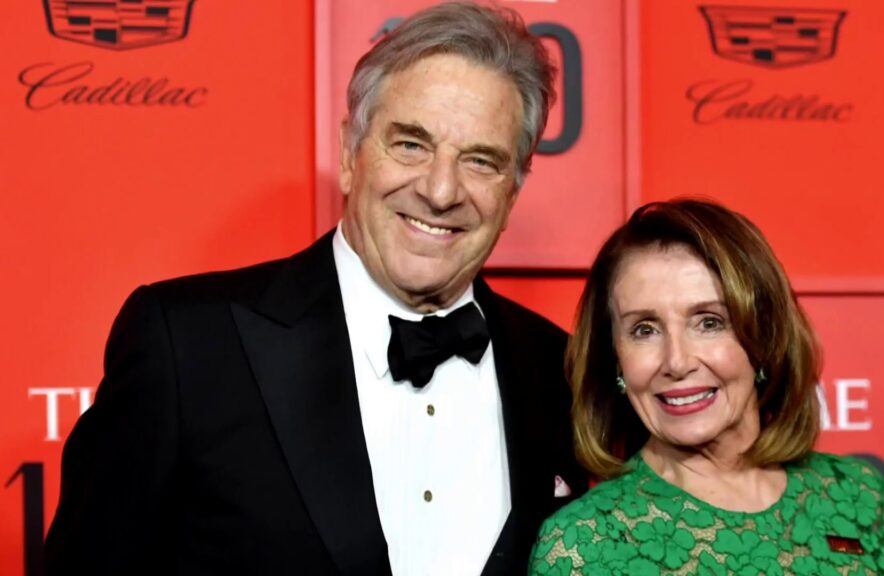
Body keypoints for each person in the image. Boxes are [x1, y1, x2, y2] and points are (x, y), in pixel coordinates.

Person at [44, 3, 586, 574]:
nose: (441, 190)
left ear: (512, 192)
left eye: (480, 161)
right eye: (411, 144)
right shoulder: (189, 346)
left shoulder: (562, 371)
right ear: (350, 153)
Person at [530, 198, 884, 575]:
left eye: (709, 322)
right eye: (644, 330)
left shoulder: (859, 497)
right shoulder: (584, 545)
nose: (677, 362)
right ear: (615, 357)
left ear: (764, 337)